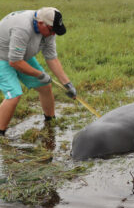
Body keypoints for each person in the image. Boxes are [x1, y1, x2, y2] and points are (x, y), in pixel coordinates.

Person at [0, 7, 77, 137]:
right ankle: (0, 132)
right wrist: (40, 74)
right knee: (14, 95)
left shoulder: (48, 29)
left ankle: (50, 121)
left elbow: (51, 57)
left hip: (21, 56)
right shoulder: (23, 28)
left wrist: (67, 83)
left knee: (45, 86)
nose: (53, 34)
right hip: (2, 58)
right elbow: (14, 62)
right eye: (52, 31)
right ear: (41, 23)